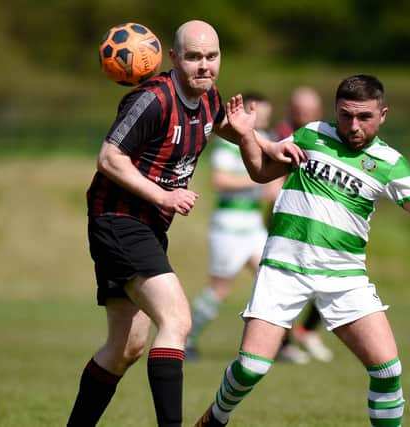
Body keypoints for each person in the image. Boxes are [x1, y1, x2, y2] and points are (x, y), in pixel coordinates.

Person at [193, 74, 410, 427]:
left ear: (383, 115)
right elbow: (259, 172)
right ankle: (216, 418)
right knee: (252, 368)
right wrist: (244, 136)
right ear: (336, 110)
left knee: (388, 371)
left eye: (365, 117)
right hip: (284, 268)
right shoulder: (313, 134)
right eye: (346, 115)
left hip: (344, 277)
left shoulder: (391, 163)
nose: (354, 126)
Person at [65, 20, 297, 427]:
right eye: (193, 57)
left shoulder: (209, 99)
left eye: (211, 56)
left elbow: (234, 135)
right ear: (173, 58)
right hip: (119, 220)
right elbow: (109, 158)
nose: (204, 66)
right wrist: (163, 195)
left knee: (126, 347)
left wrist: (266, 143)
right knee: (177, 320)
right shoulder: (153, 99)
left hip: (147, 226)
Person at [185, 93, 279, 361]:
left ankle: (277, 344)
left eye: (266, 115)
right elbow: (221, 180)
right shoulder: (228, 144)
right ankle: (184, 339)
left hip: (253, 227)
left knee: (273, 279)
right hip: (228, 226)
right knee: (220, 290)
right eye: (258, 112)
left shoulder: (268, 140)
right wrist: (259, 180)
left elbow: (273, 188)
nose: (262, 119)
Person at [273, 86, 334, 364]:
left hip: (321, 223)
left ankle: (307, 330)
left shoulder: (327, 136)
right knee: (283, 284)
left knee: (332, 279)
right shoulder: (282, 136)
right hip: (289, 222)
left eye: (309, 111)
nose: (304, 116)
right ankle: (284, 343)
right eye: (299, 111)